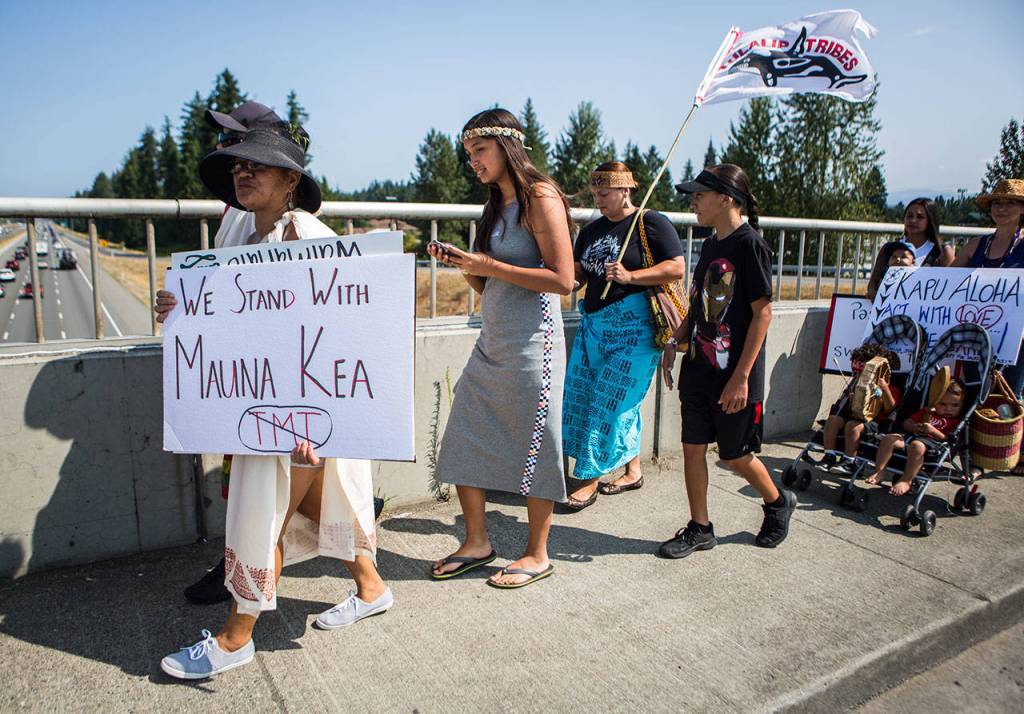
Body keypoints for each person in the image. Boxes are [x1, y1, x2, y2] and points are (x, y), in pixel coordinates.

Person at [154, 126, 392, 680]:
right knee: (302, 506)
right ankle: (373, 587)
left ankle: (235, 639)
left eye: (258, 165)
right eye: (237, 165)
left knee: (262, 519)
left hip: (297, 413)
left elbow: (346, 321)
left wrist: (322, 416)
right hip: (258, 406)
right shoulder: (238, 230)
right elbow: (230, 318)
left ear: (291, 180)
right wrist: (181, 305)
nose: (243, 172)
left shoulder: (305, 233)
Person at [428, 108, 574, 588]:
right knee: (463, 435)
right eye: (469, 153)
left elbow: (563, 280)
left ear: (507, 147)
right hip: (493, 343)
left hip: (537, 346)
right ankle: (477, 543)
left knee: (538, 447)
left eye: (479, 150)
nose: (473, 162)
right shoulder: (493, 208)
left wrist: (487, 262)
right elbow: (486, 282)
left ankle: (537, 553)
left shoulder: (541, 196)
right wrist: (462, 264)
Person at [658, 164, 796, 559]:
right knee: (692, 448)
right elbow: (699, 305)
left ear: (726, 199)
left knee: (735, 455)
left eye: (700, 195)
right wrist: (676, 340)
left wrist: (741, 377)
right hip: (699, 370)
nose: (694, 202)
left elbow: (763, 313)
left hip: (734, 375)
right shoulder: (709, 244)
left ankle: (776, 501)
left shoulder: (749, 244)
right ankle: (700, 528)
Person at [560, 162, 685, 510]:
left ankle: (588, 479)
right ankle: (633, 470)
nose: (598, 200)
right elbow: (579, 275)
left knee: (609, 402)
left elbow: (676, 266)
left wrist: (631, 276)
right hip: (594, 326)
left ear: (625, 191)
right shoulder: (591, 230)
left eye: (604, 193)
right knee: (592, 397)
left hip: (636, 329)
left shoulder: (650, 223)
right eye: (595, 193)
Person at [865, 379, 966, 495]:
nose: (948, 409)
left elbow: (949, 439)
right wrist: (914, 427)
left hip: (933, 445)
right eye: (943, 404)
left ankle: (906, 480)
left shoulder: (955, 421)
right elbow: (906, 423)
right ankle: (879, 471)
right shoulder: (928, 411)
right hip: (911, 437)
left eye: (955, 405)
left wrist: (934, 431)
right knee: (888, 439)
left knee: (916, 446)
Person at [821, 344, 901, 473]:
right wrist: (853, 400)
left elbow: (890, 409)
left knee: (852, 426)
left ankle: (849, 460)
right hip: (854, 415)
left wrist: (885, 389)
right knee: (833, 420)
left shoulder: (890, 387)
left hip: (874, 422)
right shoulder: (858, 383)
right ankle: (829, 455)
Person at [865, 198, 953, 300]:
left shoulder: (942, 252)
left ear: (930, 220)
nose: (913, 220)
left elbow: (950, 288)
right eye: (909, 216)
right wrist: (874, 294)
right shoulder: (888, 249)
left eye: (920, 217)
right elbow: (873, 283)